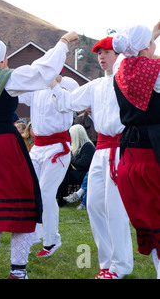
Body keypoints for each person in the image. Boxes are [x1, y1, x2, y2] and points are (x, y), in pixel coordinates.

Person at [0, 31, 78, 279]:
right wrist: (63, 43)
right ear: (3, 60)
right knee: (26, 205)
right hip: (4, 144)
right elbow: (42, 71)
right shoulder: (8, 79)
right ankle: (17, 272)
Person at [52, 36, 133, 279]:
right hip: (100, 150)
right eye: (98, 52)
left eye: (107, 51)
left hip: (120, 148)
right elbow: (67, 102)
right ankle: (106, 263)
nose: (101, 56)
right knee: (94, 206)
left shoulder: (127, 80)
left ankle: (121, 266)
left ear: (119, 54)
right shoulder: (96, 85)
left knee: (115, 208)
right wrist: (53, 82)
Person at [112, 23, 160, 278]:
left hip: (130, 156)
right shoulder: (155, 72)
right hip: (154, 153)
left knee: (152, 228)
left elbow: (140, 53)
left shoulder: (121, 72)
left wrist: (151, 34)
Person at [18, 74, 79, 257]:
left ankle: (51, 239)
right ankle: (34, 234)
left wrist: (54, 83)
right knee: (30, 191)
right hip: (38, 146)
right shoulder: (36, 86)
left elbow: (69, 103)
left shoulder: (69, 83)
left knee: (46, 193)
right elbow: (18, 92)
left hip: (57, 146)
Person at [61, 124, 95, 208]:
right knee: (62, 172)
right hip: (78, 172)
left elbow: (83, 163)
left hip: (83, 173)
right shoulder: (77, 145)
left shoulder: (87, 146)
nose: (70, 137)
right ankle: (61, 197)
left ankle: (61, 198)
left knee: (64, 175)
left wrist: (70, 158)